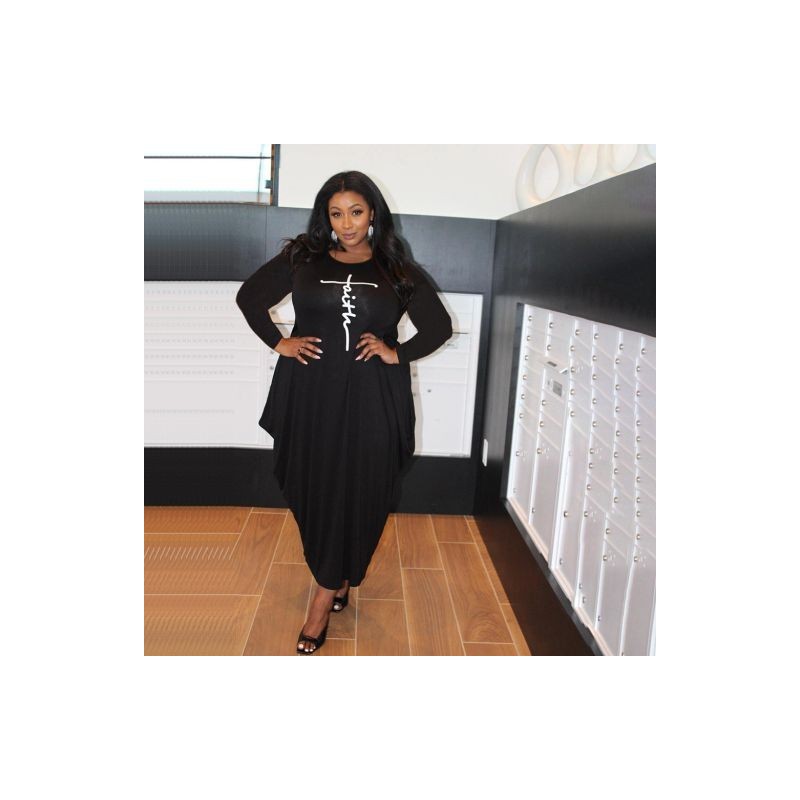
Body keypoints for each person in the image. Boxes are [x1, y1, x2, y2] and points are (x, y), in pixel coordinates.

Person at [236, 170, 453, 654]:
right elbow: (249, 297)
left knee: (363, 487)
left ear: (373, 213)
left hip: (372, 399)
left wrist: (397, 352)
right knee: (313, 485)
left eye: (356, 212)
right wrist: (280, 342)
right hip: (310, 396)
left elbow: (438, 326)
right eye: (336, 214)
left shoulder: (395, 267)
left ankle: (324, 592)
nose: (347, 223)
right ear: (325, 217)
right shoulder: (302, 258)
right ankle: (334, 575)